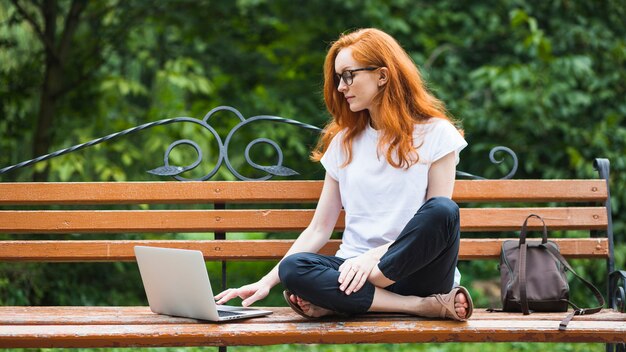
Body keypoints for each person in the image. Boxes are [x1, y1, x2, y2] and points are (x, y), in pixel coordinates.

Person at [215, 28, 473, 321]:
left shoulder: (436, 134)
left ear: (382, 76)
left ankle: (341, 299)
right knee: (293, 269)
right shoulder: (343, 142)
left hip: (418, 271)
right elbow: (318, 229)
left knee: (443, 210)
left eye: (348, 75)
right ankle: (419, 306)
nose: (340, 86)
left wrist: (372, 259)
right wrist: (266, 282)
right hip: (352, 271)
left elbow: (435, 225)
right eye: (338, 77)